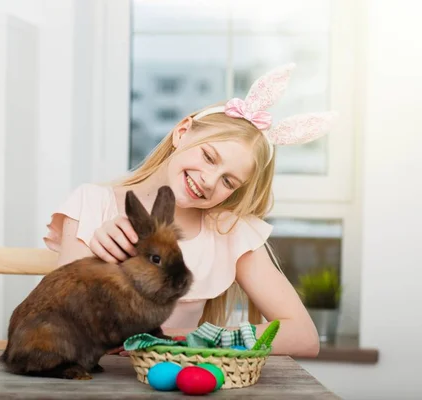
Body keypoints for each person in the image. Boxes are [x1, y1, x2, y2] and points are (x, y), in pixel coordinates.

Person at [43, 63, 337, 358]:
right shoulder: (92, 206)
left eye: (227, 181)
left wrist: (195, 339)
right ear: (182, 132)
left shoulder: (228, 231)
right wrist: (96, 259)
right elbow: (62, 324)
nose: (209, 181)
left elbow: (303, 337)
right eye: (209, 156)